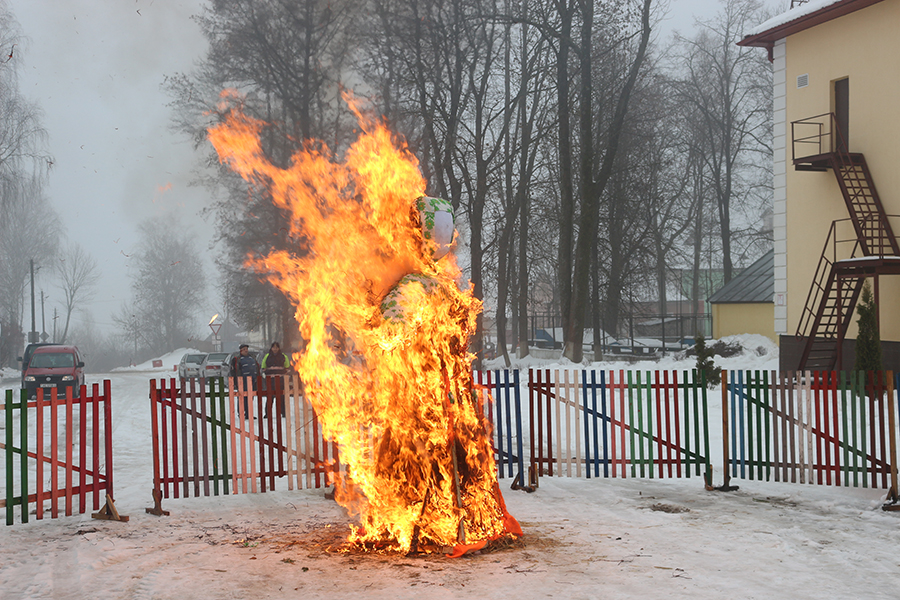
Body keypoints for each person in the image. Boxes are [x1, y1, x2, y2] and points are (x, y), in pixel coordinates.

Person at [261, 341, 290, 418]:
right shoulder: (267, 356)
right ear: (271, 348)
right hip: (270, 380)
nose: (275, 349)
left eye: (276, 347)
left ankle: (283, 412)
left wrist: (284, 373)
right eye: (273, 347)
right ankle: (268, 413)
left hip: (280, 379)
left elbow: (287, 366)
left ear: (279, 348)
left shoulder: (283, 356)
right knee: (270, 396)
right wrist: (265, 374)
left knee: (281, 396)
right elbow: (263, 366)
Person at [232, 344, 259, 417]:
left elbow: (257, 367)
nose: (246, 350)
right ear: (241, 350)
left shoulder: (252, 357)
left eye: (246, 349)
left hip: (252, 380)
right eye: (244, 349)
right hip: (241, 381)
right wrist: (235, 381)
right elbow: (234, 370)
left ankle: (248, 413)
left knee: (250, 397)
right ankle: (241, 413)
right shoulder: (237, 359)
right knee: (241, 397)